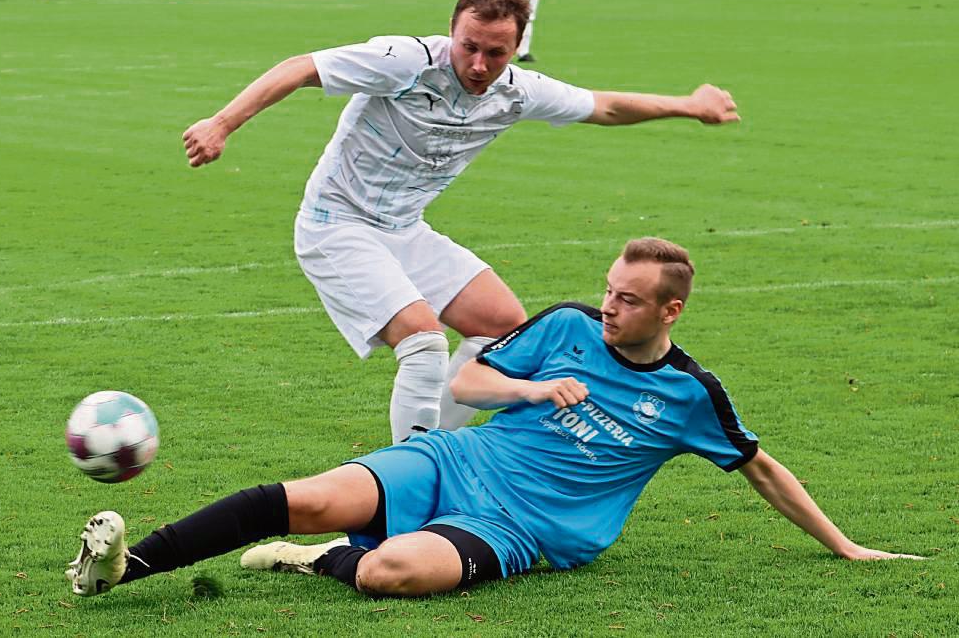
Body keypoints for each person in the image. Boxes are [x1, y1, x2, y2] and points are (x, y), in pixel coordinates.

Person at [66, 237, 922, 599]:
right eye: (609, 290)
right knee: (305, 493)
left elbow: (762, 467)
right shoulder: (564, 327)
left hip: (531, 528)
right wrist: (530, 391)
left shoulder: (691, 396)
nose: (608, 307)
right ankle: (123, 568)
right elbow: (469, 382)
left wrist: (844, 545)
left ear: (671, 313)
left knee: (387, 575)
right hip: (458, 462)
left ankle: (321, 562)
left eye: (628, 301)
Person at [182, 0, 740, 444]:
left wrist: (689, 106)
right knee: (423, 343)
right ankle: (405, 479)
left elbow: (606, 106)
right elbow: (301, 67)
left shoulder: (519, 91)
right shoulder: (404, 61)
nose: (478, 63)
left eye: (495, 53)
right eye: (468, 46)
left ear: (518, 47)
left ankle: (437, 449)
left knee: (502, 329)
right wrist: (221, 123)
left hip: (404, 229)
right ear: (452, 31)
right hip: (337, 224)